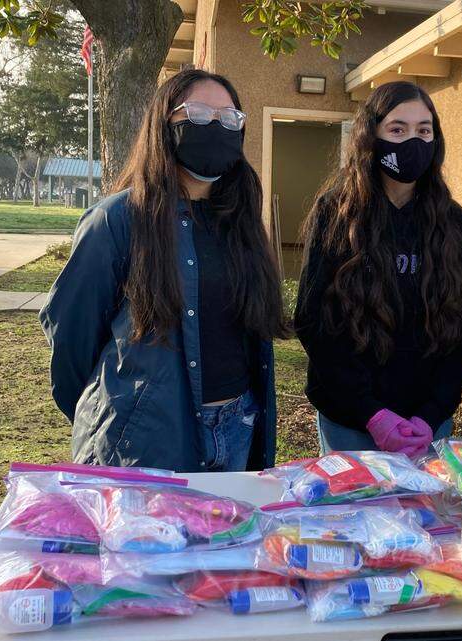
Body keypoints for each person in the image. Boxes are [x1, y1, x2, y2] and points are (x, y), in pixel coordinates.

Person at [40, 69, 287, 473]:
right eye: (199, 114)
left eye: (228, 119)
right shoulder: (117, 220)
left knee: (227, 537)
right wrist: (115, 411)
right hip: (146, 436)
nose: (215, 127)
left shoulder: (241, 221)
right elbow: (72, 339)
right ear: (164, 124)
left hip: (238, 424)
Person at [295, 81, 462, 458]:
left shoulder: (452, 221)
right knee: (356, 517)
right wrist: (372, 414)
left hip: (425, 428)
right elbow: (313, 320)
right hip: (350, 422)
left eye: (423, 130)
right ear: (371, 136)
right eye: (397, 129)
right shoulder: (337, 213)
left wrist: (430, 415)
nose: (412, 141)